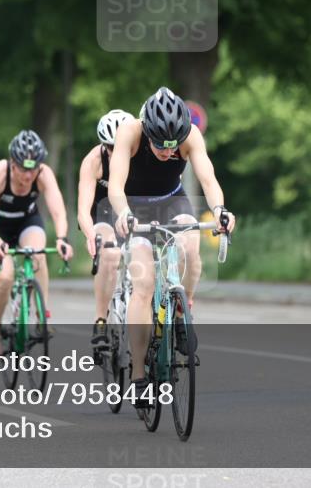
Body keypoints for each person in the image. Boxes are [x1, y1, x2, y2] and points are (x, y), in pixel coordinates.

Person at [108, 87, 236, 406]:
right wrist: (122, 212)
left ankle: (183, 309)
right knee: (143, 286)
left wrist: (220, 211)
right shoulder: (130, 133)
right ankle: (138, 373)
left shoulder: (190, 135)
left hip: (171, 201)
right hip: (135, 207)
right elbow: (115, 184)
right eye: (160, 147)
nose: (167, 153)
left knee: (191, 249)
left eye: (173, 147)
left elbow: (208, 179)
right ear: (146, 131)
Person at [0, 130, 74, 355]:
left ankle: (41, 316)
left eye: (34, 169)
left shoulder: (43, 174)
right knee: (5, 276)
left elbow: (58, 211)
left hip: (26, 223)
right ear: (13, 163)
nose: (28, 176)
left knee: (38, 254)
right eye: (23, 169)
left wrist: (62, 238)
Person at [77, 109, 135, 347]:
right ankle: (101, 317)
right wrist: (91, 235)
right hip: (102, 212)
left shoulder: (143, 155)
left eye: (120, 146)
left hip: (134, 208)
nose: (115, 153)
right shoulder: (93, 161)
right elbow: (83, 209)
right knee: (110, 255)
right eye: (110, 148)